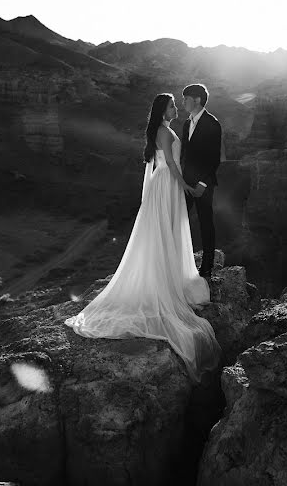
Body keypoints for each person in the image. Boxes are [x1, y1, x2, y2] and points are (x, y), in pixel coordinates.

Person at [64, 93, 221, 383]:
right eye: (173, 105)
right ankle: (163, 284)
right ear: (164, 109)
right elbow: (172, 166)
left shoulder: (167, 129)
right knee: (164, 231)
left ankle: (170, 276)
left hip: (168, 186)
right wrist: (185, 186)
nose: (177, 108)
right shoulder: (164, 131)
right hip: (168, 185)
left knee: (168, 232)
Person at [180, 83, 222, 278]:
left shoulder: (212, 123)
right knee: (178, 221)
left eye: (185, 99)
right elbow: (184, 156)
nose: (182, 103)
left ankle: (206, 267)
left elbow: (213, 159)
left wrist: (202, 185)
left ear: (197, 100)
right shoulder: (187, 123)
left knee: (206, 222)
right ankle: (178, 263)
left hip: (203, 185)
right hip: (186, 183)